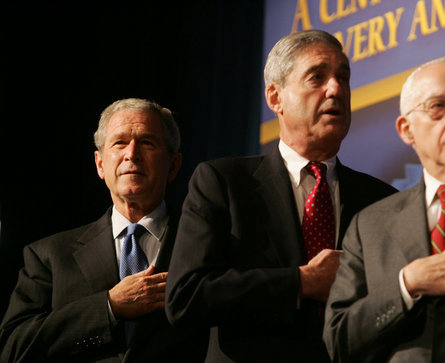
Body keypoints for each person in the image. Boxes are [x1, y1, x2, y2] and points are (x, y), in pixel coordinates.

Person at [165, 30, 396, 362]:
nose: (335, 89)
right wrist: (301, 282)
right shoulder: (223, 182)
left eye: (342, 77)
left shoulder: (382, 199)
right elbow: (186, 297)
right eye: (317, 77)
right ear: (275, 98)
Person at [324, 58, 445, 362]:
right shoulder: (370, 225)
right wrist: (407, 285)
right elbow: (338, 340)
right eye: (437, 106)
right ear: (406, 129)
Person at [0, 98, 208, 362]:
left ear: (174, 165)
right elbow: (12, 348)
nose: (131, 154)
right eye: (119, 143)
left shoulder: (206, 245)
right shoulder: (49, 255)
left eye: (147, 142)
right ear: (100, 164)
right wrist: (108, 306)